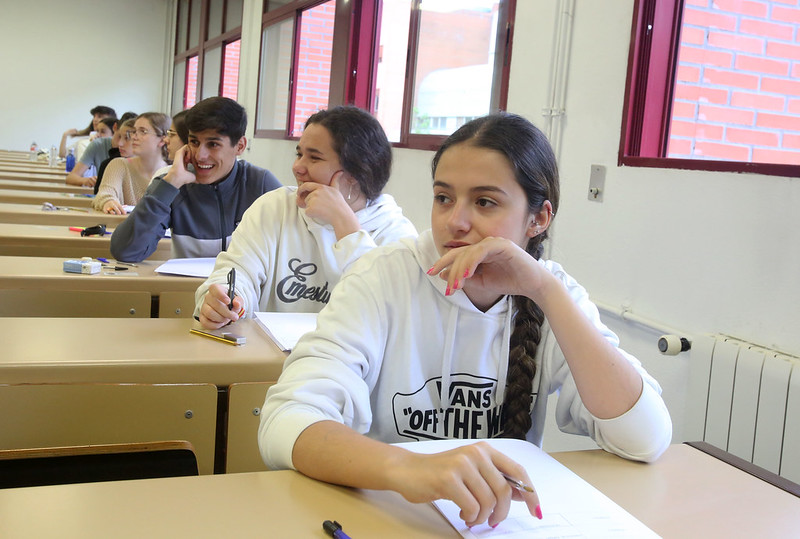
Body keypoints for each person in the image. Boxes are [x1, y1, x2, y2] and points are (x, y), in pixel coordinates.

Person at [258, 113, 672, 529]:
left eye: (484, 202)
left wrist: (544, 292)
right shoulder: (382, 276)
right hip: (388, 516)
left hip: (497, 523)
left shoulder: (552, 292)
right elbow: (285, 423)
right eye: (443, 198)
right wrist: (409, 469)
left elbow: (645, 439)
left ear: (539, 218)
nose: (455, 221)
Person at [194, 105, 418, 328]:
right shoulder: (274, 208)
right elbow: (237, 271)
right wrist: (225, 299)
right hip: (266, 357)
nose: (297, 167)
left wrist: (344, 224)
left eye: (314, 158)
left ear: (355, 173)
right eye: (299, 154)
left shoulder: (396, 235)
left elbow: (385, 314)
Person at [110, 97, 282, 262]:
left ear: (240, 146)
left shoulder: (261, 184)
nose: (200, 155)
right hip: (185, 291)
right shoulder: (171, 183)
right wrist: (171, 184)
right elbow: (125, 252)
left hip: (243, 292)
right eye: (194, 142)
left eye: (213, 144)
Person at [93, 113, 171, 215]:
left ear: (162, 139)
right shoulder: (119, 165)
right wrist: (108, 201)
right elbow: (105, 193)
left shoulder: (172, 173)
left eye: (143, 131)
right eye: (134, 131)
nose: (134, 137)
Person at [95, 116, 138, 195]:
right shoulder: (108, 165)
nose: (119, 143)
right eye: (120, 137)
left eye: (126, 138)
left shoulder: (158, 170)